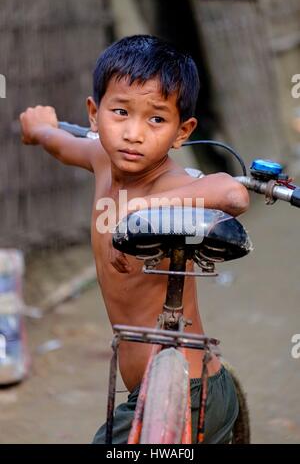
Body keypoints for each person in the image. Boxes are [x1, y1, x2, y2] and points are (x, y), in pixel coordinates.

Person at [19, 35, 249, 444]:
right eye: (121, 112)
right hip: (150, 391)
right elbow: (62, 144)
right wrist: (39, 130)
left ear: (183, 132)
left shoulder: (172, 182)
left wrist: (142, 207)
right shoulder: (101, 159)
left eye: (156, 119)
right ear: (95, 114)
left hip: (186, 396)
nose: (133, 133)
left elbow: (233, 193)